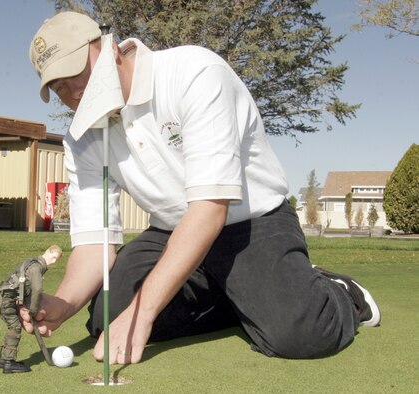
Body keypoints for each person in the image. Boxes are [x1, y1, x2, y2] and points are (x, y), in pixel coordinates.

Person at [24, 11, 381, 365]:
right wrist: (65, 304)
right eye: (59, 87)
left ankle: (341, 294)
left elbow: (210, 208)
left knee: (300, 331)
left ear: (110, 48)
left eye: (77, 71)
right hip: (170, 231)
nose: (74, 91)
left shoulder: (193, 72)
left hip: (250, 223)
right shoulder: (80, 138)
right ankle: (241, 298)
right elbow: (94, 242)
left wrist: (145, 311)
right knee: (107, 315)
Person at [0, 245, 63, 373]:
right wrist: (33, 310)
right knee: (15, 327)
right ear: (47, 251)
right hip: (6, 299)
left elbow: (22, 285)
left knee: (13, 326)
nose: (53, 262)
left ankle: (3, 360)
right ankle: (8, 362)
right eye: (53, 257)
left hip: (5, 297)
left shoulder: (31, 263)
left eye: (56, 260)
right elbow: (37, 290)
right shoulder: (36, 268)